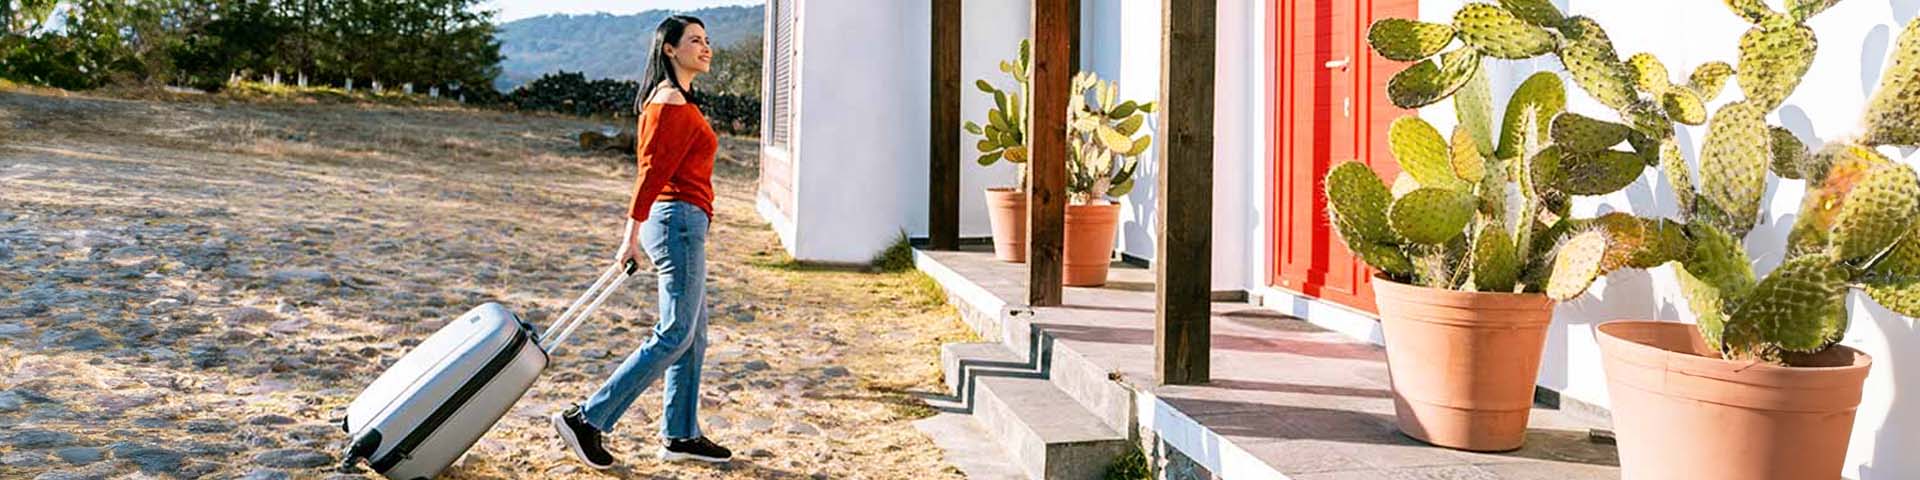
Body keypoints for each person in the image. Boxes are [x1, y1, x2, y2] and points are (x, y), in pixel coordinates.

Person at [550, 14, 731, 470]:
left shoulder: (679, 100)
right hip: (675, 222)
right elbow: (651, 174)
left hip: (684, 222)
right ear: (669, 49)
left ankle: (681, 434)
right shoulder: (670, 102)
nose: (705, 48)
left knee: (692, 337)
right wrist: (629, 238)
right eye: (694, 40)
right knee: (674, 333)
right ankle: (588, 420)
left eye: (707, 40)